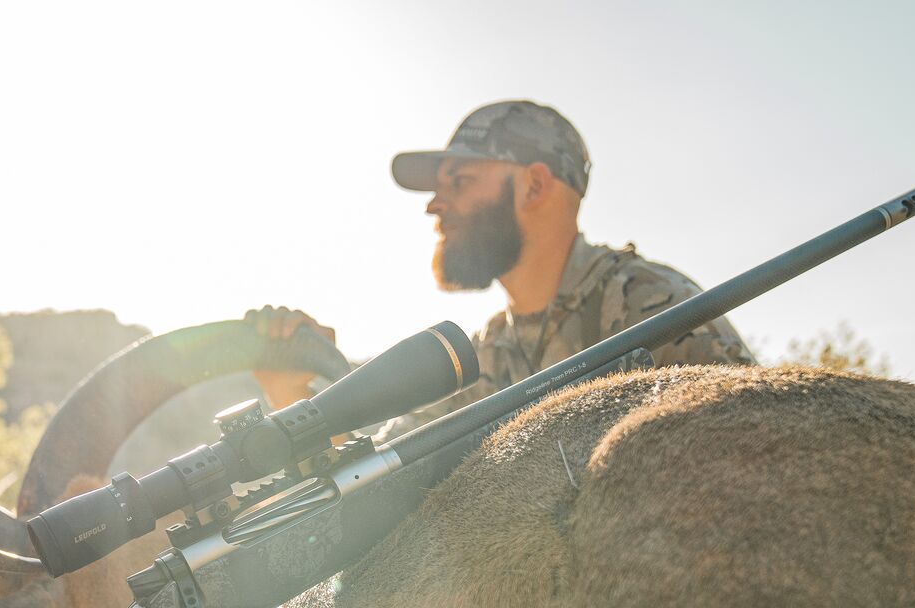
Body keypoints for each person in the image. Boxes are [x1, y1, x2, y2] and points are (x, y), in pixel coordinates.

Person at [249, 100, 755, 433]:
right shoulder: (485, 354)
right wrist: (298, 392)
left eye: (460, 181)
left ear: (534, 186)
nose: (434, 205)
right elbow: (386, 459)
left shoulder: (651, 307)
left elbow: (768, 452)